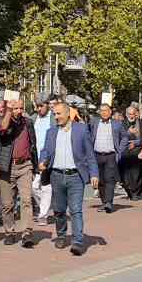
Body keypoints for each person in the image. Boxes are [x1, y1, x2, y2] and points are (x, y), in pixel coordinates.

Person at [39, 101, 99, 256]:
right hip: (56, 176)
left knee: (76, 210)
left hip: (75, 177)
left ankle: (78, 241)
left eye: (58, 114)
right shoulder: (51, 132)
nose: (56, 117)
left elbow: (89, 154)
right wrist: (42, 160)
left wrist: (94, 174)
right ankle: (61, 235)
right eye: (54, 114)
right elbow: (46, 150)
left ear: (67, 114)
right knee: (59, 210)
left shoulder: (81, 130)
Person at [0, 98, 38, 246]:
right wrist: (8, 112)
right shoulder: (2, 120)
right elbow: (3, 131)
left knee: (26, 201)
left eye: (21, 108)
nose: (19, 111)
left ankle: (27, 233)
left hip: (25, 165)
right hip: (7, 167)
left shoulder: (28, 123)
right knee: (8, 204)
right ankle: (9, 232)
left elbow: (33, 144)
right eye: (16, 109)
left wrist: (34, 166)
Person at [89, 103, 127, 213]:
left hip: (111, 155)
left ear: (110, 112)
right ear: (99, 112)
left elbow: (124, 137)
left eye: (106, 110)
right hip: (97, 155)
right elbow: (88, 135)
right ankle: (104, 202)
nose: (104, 113)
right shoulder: (94, 123)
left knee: (109, 179)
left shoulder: (117, 124)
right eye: (102, 110)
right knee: (100, 180)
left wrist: (119, 151)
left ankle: (109, 202)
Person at [120, 104, 142, 200]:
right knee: (125, 176)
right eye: (129, 114)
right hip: (125, 153)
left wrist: (136, 143)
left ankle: (135, 192)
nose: (131, 116)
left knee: (137, 173)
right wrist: (128, 133)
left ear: (136, 114)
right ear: (126, 115)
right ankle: (130, 191)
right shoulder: (121, 124)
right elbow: (118, 138)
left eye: (133, 114)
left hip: (138, 152)